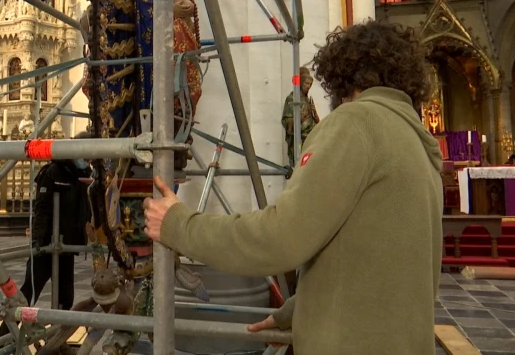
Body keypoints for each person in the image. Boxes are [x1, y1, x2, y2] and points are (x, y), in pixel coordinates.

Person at [144, 20, 444, 354]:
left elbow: (280, 238)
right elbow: (384, 262)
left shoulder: (356, 124)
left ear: (345, 76)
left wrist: (178, 224)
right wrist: (298, 312)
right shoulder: (416, 142)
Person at [0, 131, 92, 339]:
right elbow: (43, 209)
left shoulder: (80, 174)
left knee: (66, 298)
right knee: (28, 294)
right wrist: (37, 239)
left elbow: (85, 208)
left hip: (66, 246)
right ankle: (2, 342)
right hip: (47, 243)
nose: (88, 160)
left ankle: (57, 340)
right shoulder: (53, 172)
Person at [281, 66, 320, 167]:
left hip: (311, 140)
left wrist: (315, 117)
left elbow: (315, 121)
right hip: (299, 141)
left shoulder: (308, 100)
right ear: (300, 82)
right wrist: (299, 119)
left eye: (310, 84)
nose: (308, 86)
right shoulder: (292, 99)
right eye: (306, 83)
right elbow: (287, 122)